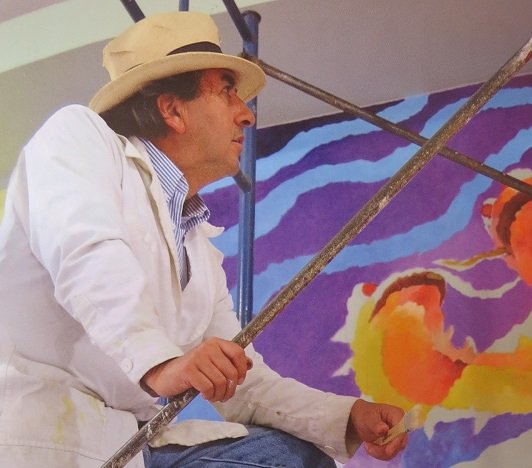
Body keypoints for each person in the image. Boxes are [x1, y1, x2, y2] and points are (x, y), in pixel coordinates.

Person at [0, 11, 408, 467]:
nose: (246, 114)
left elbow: (244, 383)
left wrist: (346, 417)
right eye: (226, 90)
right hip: (40, 440)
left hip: (127, 446)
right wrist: (159, 363)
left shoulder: (197, 246)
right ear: (173, 110)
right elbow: (87, 254)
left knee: (293, 459)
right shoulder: (76, 136)